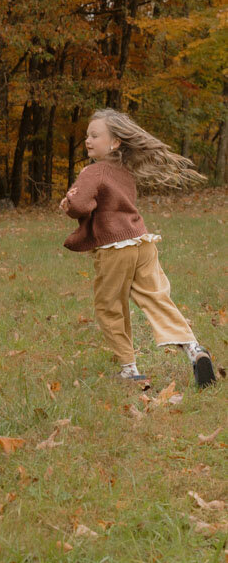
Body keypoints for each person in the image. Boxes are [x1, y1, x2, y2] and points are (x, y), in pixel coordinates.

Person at [60, 108, 216, 388]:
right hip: (142, 242)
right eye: (86, 136)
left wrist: (68, 203)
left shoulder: (93, 171)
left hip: (114, 248)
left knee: (109, 306)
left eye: (95, 135)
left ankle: (129, 369)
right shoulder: (125, 172)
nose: (88, 140)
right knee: (157, 299)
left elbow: (81, 206)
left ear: (115, 142)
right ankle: (194, 349)